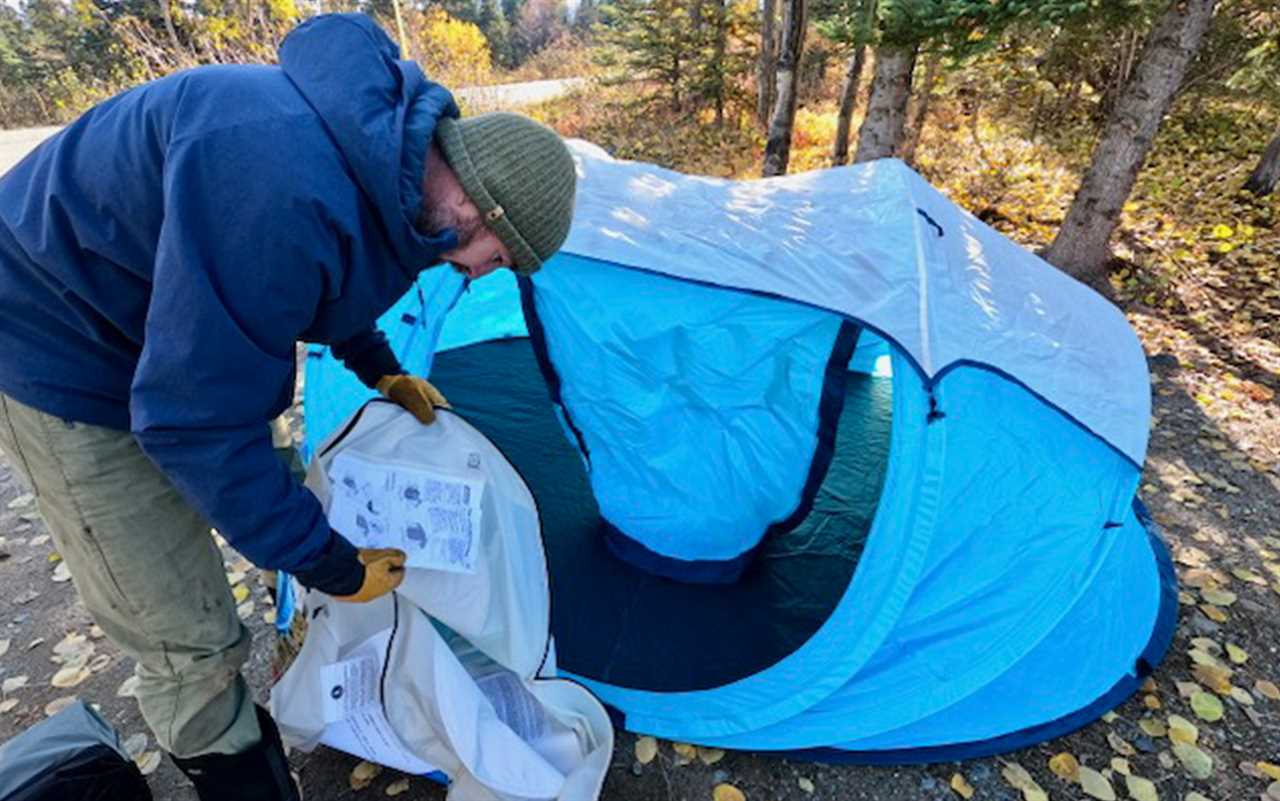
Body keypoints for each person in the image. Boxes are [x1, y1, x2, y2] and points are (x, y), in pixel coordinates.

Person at [0, 13, 575, 801]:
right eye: (498, 260)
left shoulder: (388, 170)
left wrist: (375, 364)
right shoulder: (277, 184)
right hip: (52, 338)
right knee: (187, 635)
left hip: (166, 336)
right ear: (480, 210)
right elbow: (189, 421)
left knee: (270, 496)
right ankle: (242, 777)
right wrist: (331, 564)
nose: (481, 276)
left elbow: (328, 269)